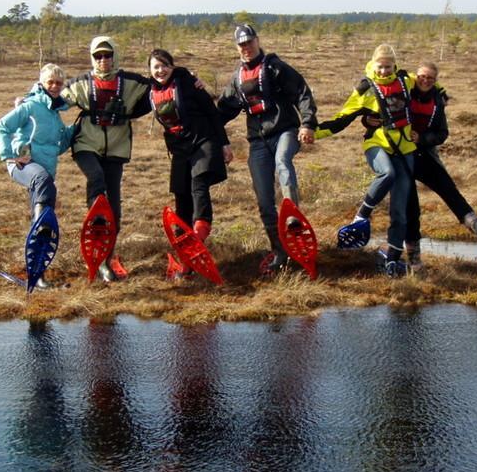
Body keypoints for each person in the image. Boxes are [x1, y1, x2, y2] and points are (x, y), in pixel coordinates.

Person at [217, 24, 317, 273]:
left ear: (257, 41)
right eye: (241, 44)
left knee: (283, 161)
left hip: (285, 131)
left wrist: (307, 123)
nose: (246, 48)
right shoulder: (238, 78)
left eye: (249, 42)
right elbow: (221, 112)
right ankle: (280, 251)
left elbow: (302, 92)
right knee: (263, 201)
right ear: (237, 47)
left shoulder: (275, 67)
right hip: (257, 141)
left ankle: (292, 215)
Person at [315, 43, 416, 276]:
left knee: (400, 211)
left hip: (406, 149)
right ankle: (362, 214)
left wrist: (440, 93)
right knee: (387, 173)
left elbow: (427, 85)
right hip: (376, 145)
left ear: (395, 65)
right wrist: (313, 132)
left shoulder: (405, 81)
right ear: (373, 64)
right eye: (380, 67)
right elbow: (342, 118)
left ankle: (392, 259)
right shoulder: (365, 89)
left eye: (388, 67)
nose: (384, 71)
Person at [60, 36, 152, 282]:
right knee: (96, 180)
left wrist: (190, 81)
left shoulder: (132, 82)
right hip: (86, 144)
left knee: (116, 211)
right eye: (98, 56)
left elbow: (163, 86)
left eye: (107, 55)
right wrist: (27, 101)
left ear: (115, 56)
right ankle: (96, 216)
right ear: (92, 58)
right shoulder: (80, 84)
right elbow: (54, 97)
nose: (103, 60)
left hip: (116, 150)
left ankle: (106, 259)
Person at [0, 63, 74, 288]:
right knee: (44, 193)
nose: (55, 86)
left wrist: (77, 127)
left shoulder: (56, 114)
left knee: (44, 196)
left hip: (44, 174)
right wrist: (9, 155)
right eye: (51, 82)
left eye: (59, 83)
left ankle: (38, 276)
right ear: (42, 83)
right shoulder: (30, 106)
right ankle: (42, 224)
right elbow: (0, 127)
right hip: (24, 167)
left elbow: (60, 145)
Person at [147, 49, 232, 247]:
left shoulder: (187, 81)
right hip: (179, 148)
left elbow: (212, 112)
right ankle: (183, 242)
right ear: (150, 71)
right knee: (181, 193)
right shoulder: (149, 91)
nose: (161, 70)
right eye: (156, 67)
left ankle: (200, 231)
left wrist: (224, 143)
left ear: (172, 66)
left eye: (165, 65)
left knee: (198, 182)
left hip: (203, 139)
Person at [403, 61, 477, 270]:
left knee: (449, 189)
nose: (425, 80)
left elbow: (442, 133)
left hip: (423, 154)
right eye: (422, 76)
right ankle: (414, 258)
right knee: (411, 208)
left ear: (435, 81)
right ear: (415, 76)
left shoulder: (438, 101)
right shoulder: (404, 91)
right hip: (400, 157)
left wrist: (422, 138)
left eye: (430, 78)